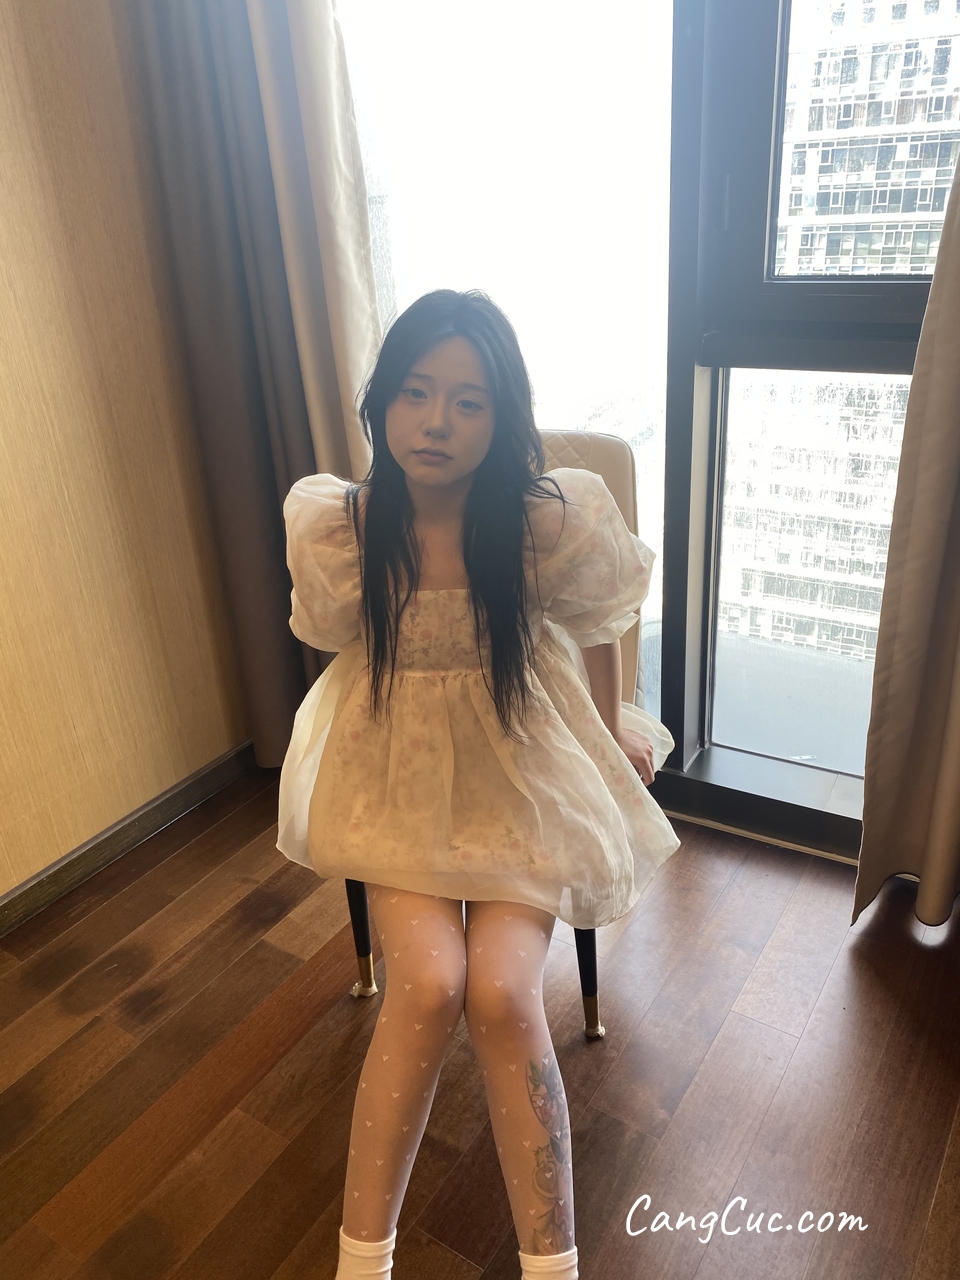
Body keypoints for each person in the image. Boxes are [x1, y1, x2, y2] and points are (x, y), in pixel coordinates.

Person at [277, 290, 681, 1279]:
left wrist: (611, 728)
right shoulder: (347, 522)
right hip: (400, 782)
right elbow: (334, 639)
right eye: (416, 393)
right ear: (383, 401)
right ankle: (361, 1261)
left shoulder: (542, 520)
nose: (437, 421)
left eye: (468, 401)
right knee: (427, 980)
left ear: (503, 417)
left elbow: (597, 622)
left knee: (501, 989)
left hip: (521, 772)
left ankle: (554, 1263)